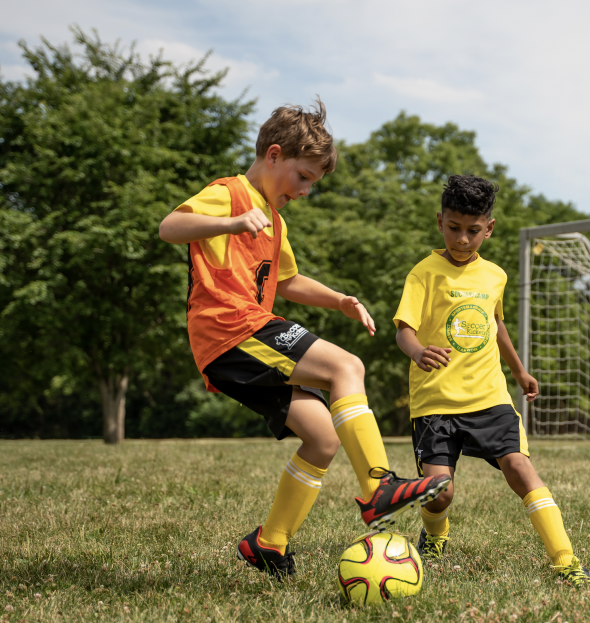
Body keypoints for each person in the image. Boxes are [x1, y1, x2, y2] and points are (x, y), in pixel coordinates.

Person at [159, 99, 450, 579]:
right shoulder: (230, 195)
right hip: (230, 328)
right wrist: (231, 222)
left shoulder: (274, 220)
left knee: (322, 438)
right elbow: (171, 227)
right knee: (345, 367)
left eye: (313, 182)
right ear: (273, 154)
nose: (307, 190)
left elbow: (287, 281)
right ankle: (378, 486)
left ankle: (268, 543)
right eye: (304, 177)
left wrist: (339, 300)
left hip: (239, 338)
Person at [392, 174, 590, 588]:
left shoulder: (495, 276)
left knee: (520, 468)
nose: (462, 240)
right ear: (439, 221)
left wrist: (519, 371)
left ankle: (565, 559)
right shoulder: (423, 273)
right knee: (440, 492)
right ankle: (435, 535)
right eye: (453, 228)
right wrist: (417, 351)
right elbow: (403, 329)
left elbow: (495, 324)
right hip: (437, 402)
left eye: (472, 231)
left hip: (489, 397)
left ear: (489, 228)